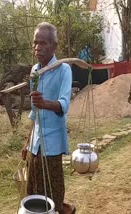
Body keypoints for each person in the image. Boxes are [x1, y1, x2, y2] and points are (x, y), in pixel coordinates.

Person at [21, 22, 76, 214]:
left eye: (43, 43)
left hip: (52, 143)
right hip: (36, 143)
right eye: (35, 43)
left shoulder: (63, 70)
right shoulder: (34, 72)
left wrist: (45, 103)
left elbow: (63, 105)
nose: (37, 47)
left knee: (53, 193)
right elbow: (34, 113)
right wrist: (27, 142)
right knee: (34, 190)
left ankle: (64, 210)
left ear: (54, 46)